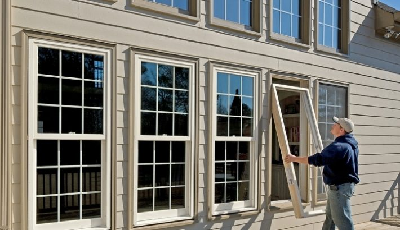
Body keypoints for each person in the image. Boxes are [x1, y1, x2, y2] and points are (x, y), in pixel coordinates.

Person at [285, 116, 359, 230]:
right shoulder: (351, 145)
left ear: (341, 130)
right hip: (341, 187)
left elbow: (318, 159)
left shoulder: (339, 147)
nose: (332, 126)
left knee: (343, 222)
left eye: (336, 124)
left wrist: (294, 159)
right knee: (330, 219)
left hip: (339, 189)